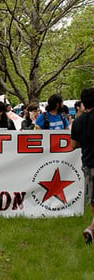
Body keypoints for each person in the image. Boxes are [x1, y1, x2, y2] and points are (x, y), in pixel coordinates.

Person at [70, 88, 94, 244]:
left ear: (83, 104)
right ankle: (92, 228)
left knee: (93, 199)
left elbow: (73, 145)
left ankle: (92, 228)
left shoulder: (78, 122)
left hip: (89, 163)